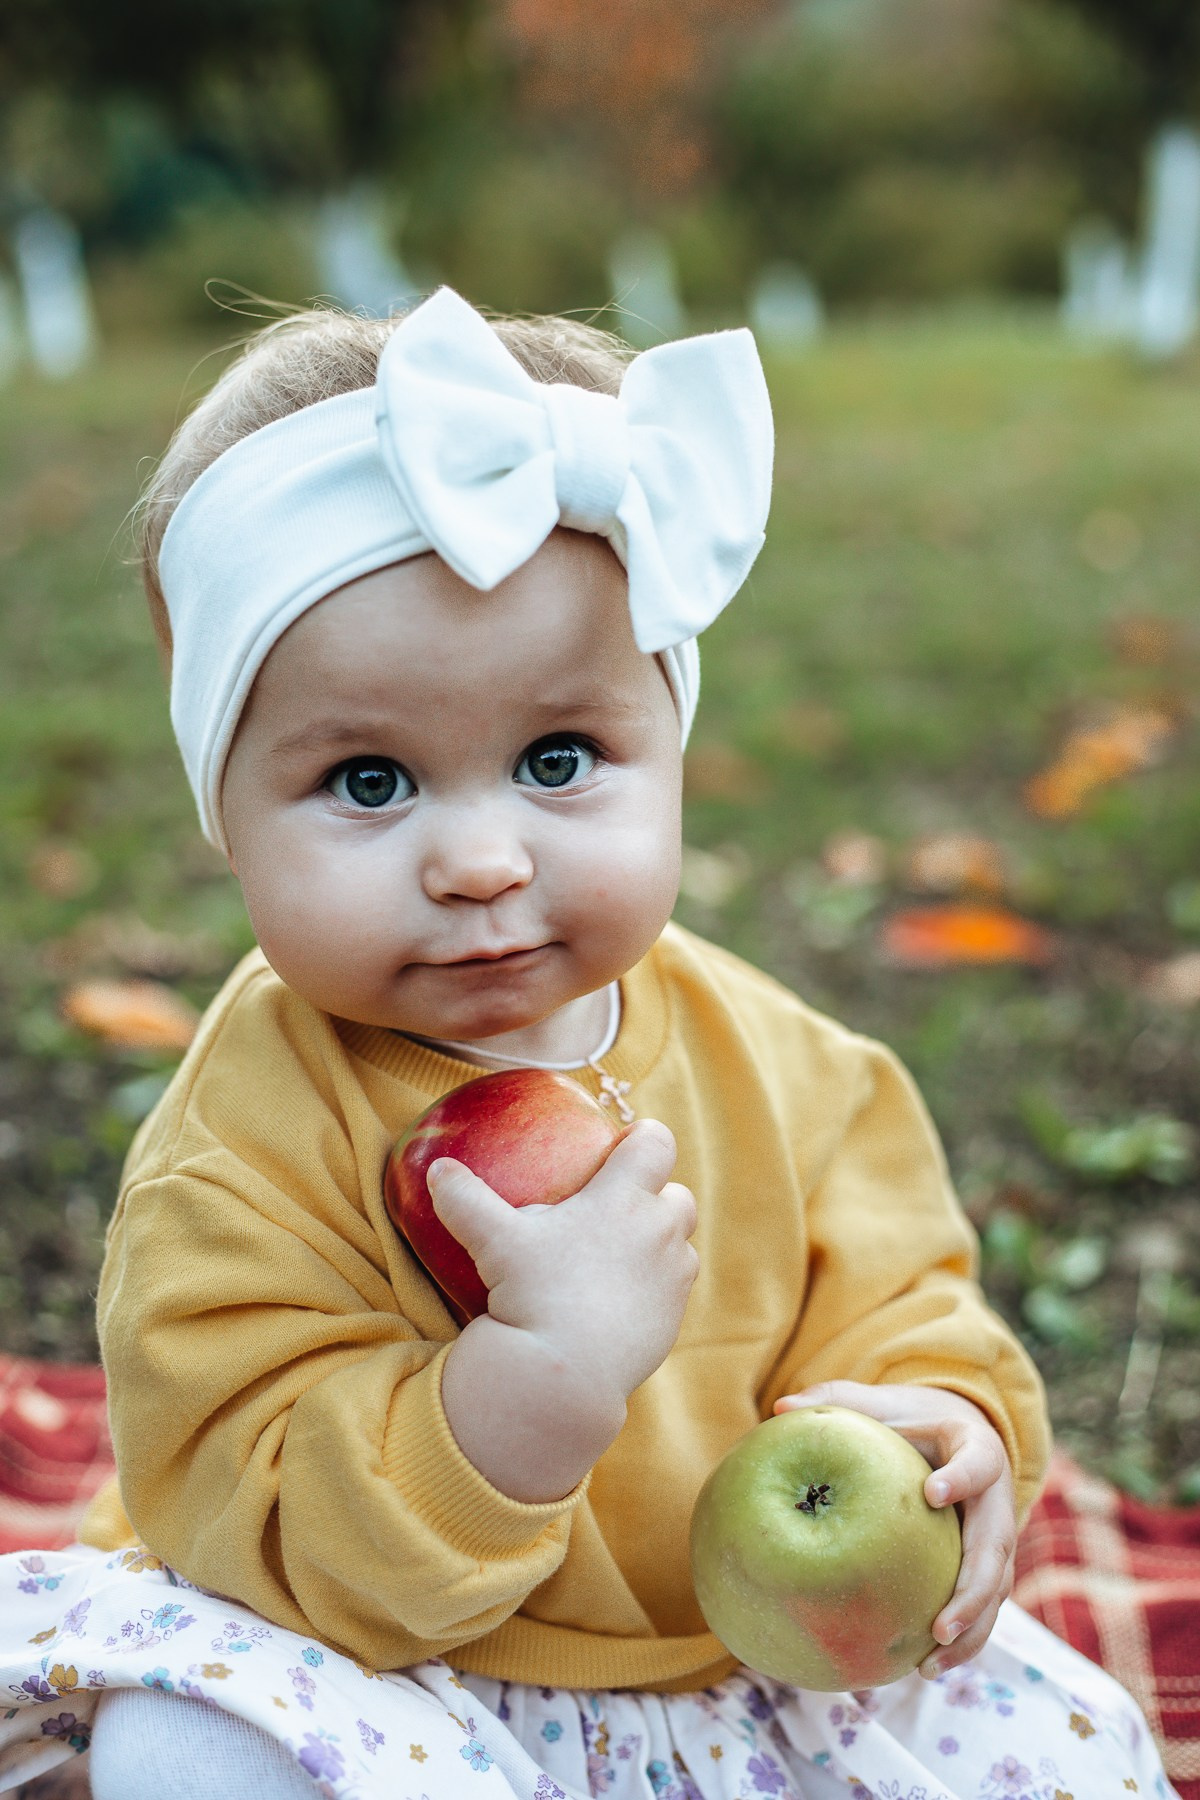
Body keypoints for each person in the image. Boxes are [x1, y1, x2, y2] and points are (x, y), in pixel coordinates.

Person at [0, 287, 1176, 1800]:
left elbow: (907, 1307)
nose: (481, 859)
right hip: (377, 1672)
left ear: (668, 748)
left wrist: (947, 1425)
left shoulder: (797, 1072)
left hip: (742, 1657)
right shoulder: (243, 1149)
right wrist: (525, 1393)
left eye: (560, 760)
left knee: (1075, 1749)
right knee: (188, 1749)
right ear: (223, 808)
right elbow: (254, 1511)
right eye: (370, 781)